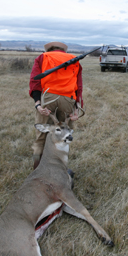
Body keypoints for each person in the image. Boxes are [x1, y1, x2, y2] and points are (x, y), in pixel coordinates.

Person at [29, 41, 83, 169]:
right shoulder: (74, 60)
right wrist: (76, 109)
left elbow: (35, 82)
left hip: (48, 99)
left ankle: (37, 169)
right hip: (68, 100)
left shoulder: (43, 58)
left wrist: (38, 104)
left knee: (41, 136)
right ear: (63, 50)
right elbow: (78, 87)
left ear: (49, 50)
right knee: (65, 135)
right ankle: (61, 169)